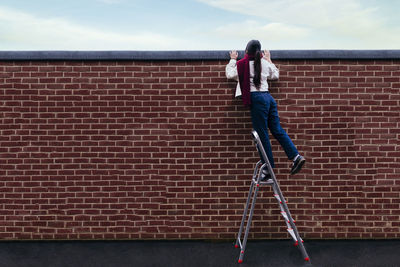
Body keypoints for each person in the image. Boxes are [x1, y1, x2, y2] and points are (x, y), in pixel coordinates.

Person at [225, 40, 305, 177]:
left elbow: (230, 74)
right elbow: (275, 75)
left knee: (261, 135)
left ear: (246, 51)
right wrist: (269, 59)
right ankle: (295, 156)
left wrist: (232, 60)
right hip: (268, 98)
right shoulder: (264, 63)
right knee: (277, 129)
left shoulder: (241, 65)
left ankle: (268, 169)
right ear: (259, 52)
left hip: (257, 99)